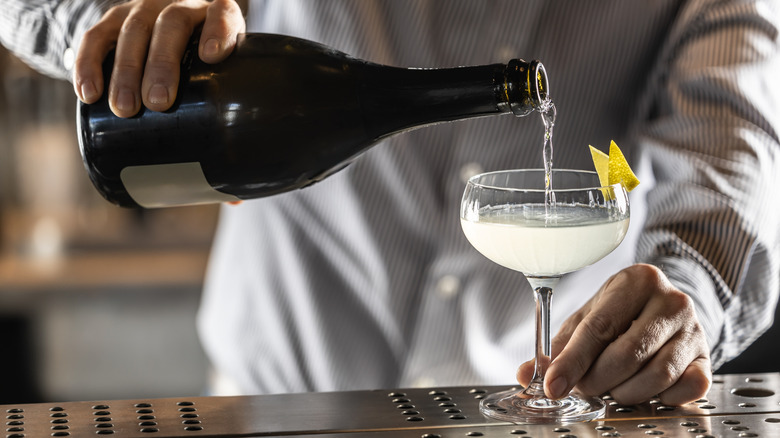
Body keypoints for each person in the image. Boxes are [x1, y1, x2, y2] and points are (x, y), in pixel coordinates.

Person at [2, 0, 778, 406]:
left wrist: (693, 294)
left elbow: (738, 144)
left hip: (517, 401)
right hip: (276, 402)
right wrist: (120, 24)